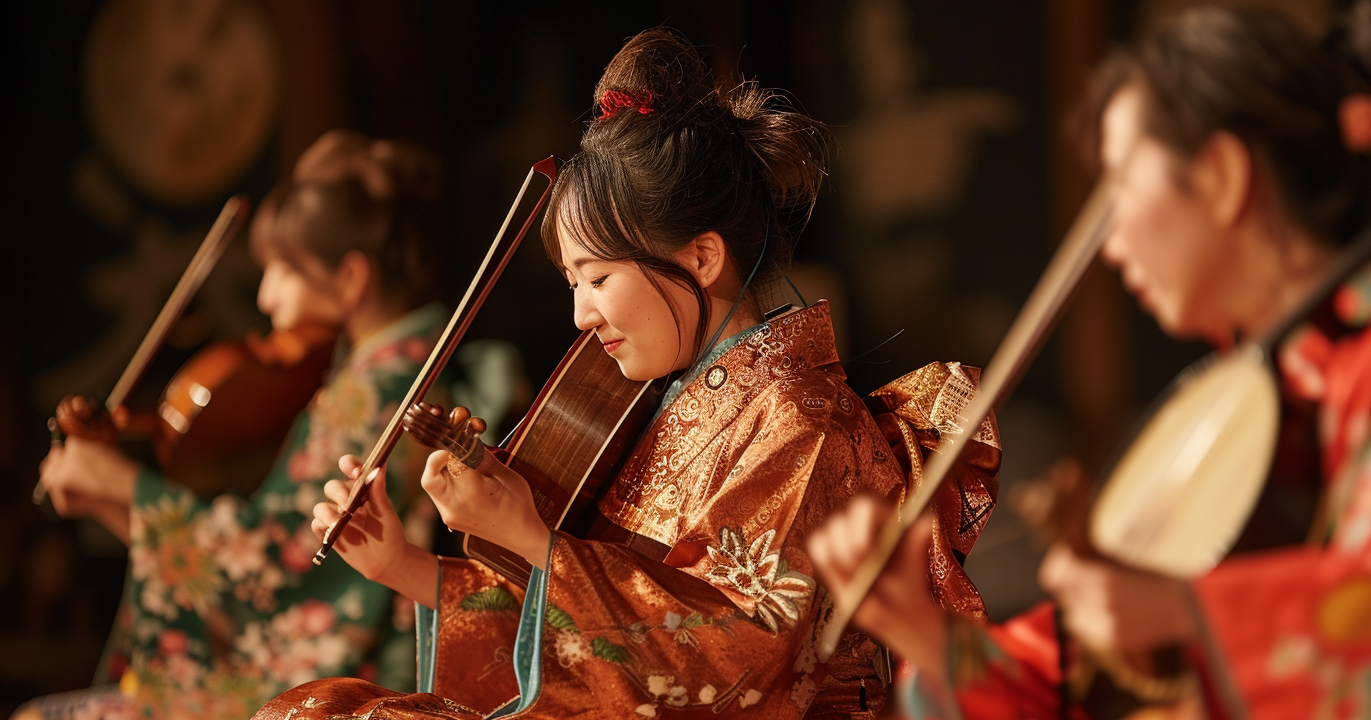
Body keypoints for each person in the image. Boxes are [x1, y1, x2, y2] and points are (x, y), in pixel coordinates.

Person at [809, 6, 1371, 720]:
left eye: (1122, 185)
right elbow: (1086, 670)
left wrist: (1185, 613)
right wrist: (930, 638)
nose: (1111, 248)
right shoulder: (1258, 397)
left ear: (1222, 176)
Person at [255, 28, 1000, 720]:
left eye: (598, 278)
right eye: (572, 283)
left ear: (701, 258)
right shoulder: (662, 398)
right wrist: (405, 566)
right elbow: (579, 624)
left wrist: (536, 541)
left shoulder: (799, 425)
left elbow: (736, 661)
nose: (581, 314)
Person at [25, 130, 455, 720]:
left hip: (336, 681)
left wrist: (125, 486)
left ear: (351, 278)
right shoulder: (385, 369)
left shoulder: (376, 390)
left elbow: (278, 558)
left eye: (282, 270)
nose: (266, 296)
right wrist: (110, 499)